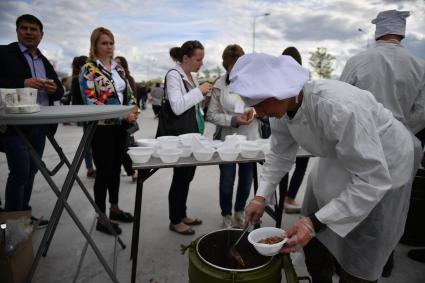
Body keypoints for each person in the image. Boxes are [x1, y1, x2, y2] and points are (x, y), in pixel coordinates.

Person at [230, 53, 421, 282]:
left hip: (387, 162)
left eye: (259, 104)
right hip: (341, 157)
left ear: (280, 90)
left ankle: (356, 273)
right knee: (319, 222)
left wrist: (314, 222)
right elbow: (280, 154)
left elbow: (372, 180)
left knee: (362, 242)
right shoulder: (279, 108)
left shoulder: (338, 107)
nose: (257, 113)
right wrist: (261, 197)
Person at [340, 9, 425, 270]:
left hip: (363, 144)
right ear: (402, 33)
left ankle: (349, 261)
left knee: (357, 201)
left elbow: (342, 102)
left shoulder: (358, 61)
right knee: (392, 208)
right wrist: (398, 131)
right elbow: (422, 111)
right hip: (402, 148)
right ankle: (382, 261)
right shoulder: (419, 66)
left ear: (378, 32)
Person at [0, 14, 64, 228]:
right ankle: (13, 225)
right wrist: (23, 82)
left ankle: (23, 216)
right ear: (17, 31)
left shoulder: (43, 59)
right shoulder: (5, 53)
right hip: (15, 126)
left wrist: (55, 89)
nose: (29, 32)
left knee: (32, 171)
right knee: (20, 172)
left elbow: (60, 89)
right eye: (24, 28)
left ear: (41, 34)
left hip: (40, 126)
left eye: (33, 29)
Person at [79, 27, 138, 235]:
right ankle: (101, 218)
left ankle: (114, 209)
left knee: (115, 170)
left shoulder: (118, 67)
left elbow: (129, 92)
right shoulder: (89, 69)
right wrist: (120, 115)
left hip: (121, 128)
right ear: (95, 45)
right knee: (103, 172)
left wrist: (133, 110)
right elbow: (91, 101)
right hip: (102, 128)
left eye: (111, 43)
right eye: (104, 43)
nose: (109, 47)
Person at [157, 40, 212, 235]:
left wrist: (202, 96)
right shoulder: (174, 75)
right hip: (179, 136)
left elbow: (192, 105)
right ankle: (175, 219)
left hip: (192, 134)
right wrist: (200, 91)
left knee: (187, 176)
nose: (201, 63)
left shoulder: (191, 76)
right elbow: (177, 106)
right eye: (198, 59)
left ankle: (182, 213)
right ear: (185, 58)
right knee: (180, 177)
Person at [206, 44, 258, 228]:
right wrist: (233, 119)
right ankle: (226, 214)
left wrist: (254, 114)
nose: (236, 71)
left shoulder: (255, 82)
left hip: (250, 139)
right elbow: (211, 115)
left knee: (247, 179)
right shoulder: (219, 85)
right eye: (231, 67)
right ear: (225, 66)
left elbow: (264, 107)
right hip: (227, 140)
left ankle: (239, 211)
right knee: (227, 179)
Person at [279, 46, 309, 214]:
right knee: (299, 165)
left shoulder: (280, 79)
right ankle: (288, 198)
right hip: (303, 130)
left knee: (283, 162)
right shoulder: (303, 77)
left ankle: (283, 197)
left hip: (289, 128)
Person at [70, 55, 96, 178]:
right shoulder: (80, 78)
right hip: (87, 114)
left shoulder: (76, 78)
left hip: (83, 114)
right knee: (89, 143)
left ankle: (90, 168)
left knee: (88, 143)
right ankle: (91, 168)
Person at [114, 56, 138, 182]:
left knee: (126, 146)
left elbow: (133, 99)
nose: (116, 65)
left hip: (127, 119)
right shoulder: (110, 77)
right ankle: (131, 170)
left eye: (119, 63)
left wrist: (132, 114)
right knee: (123, 147)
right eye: (115, 63)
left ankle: (132, 170)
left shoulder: (128, 79)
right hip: (115, 119)